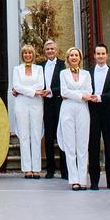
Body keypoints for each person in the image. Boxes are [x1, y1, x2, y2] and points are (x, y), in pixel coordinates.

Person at [57, 47, 95, 190]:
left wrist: (77, 94)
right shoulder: (63, 73)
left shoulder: (86, 74)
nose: (74, 57)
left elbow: (89, 91)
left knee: (82, 144)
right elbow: (64, 92)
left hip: (82, 110)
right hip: (67, 109)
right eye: (71, 55)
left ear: (80, 58)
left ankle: (83, 178)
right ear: (68, 58)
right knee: (70, 145)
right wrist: (80, 95)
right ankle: (74, 179)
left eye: (76, 55)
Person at [88, 44, 110, 190]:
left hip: (109, 112)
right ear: (94, 56)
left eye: (103, 53)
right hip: (93, 112)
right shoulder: (88, 73)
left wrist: (100, 97)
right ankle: (94, 181)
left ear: (107, 55)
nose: (100, 56)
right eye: (98, 53)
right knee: (93, 146)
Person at [12, 44, 45, 179]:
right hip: (21, 103)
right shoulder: (17, 69)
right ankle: (27, 168)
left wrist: (26, 90)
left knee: (36, 134)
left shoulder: (39, 69)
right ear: (22, 55)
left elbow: (41, 85)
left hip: (36, 103)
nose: (27, 55)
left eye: (30, 53)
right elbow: (16, 86)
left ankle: (36, 168)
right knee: (24, 135)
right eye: (25, 53)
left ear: (33, 55)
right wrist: (33, 91)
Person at [38, 40, 67, 179]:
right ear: (45, 51)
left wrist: (50, 91)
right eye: (47, 49)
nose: (50, 51)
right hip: (45, 105)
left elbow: (65, 85)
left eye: (52, 49)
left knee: (61, 136)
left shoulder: (63, 65)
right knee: (49, 137)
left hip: (59, 103)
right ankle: (50, 169)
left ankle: (64, 169)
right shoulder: (39, 67)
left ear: (56, 50)